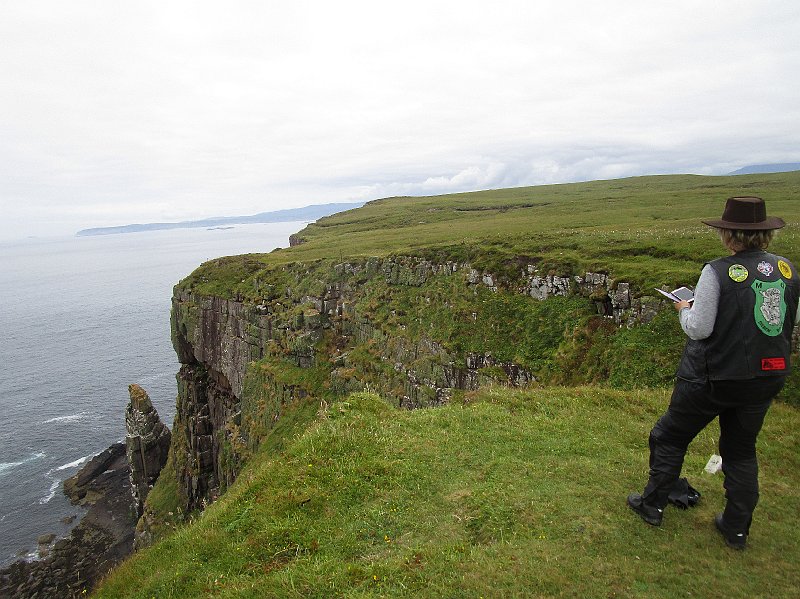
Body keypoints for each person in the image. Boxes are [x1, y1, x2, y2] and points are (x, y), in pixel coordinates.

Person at [627, 196, 800, 550]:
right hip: (766, 376)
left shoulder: (717, 271)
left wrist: (682, 308)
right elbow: (791, 318)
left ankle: (652, 506)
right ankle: (735, 529)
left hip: (713, 377)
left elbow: (698, 328)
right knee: (740, 451)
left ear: (728, 234)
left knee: (670, 436)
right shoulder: (787, 270)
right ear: (765, 234)